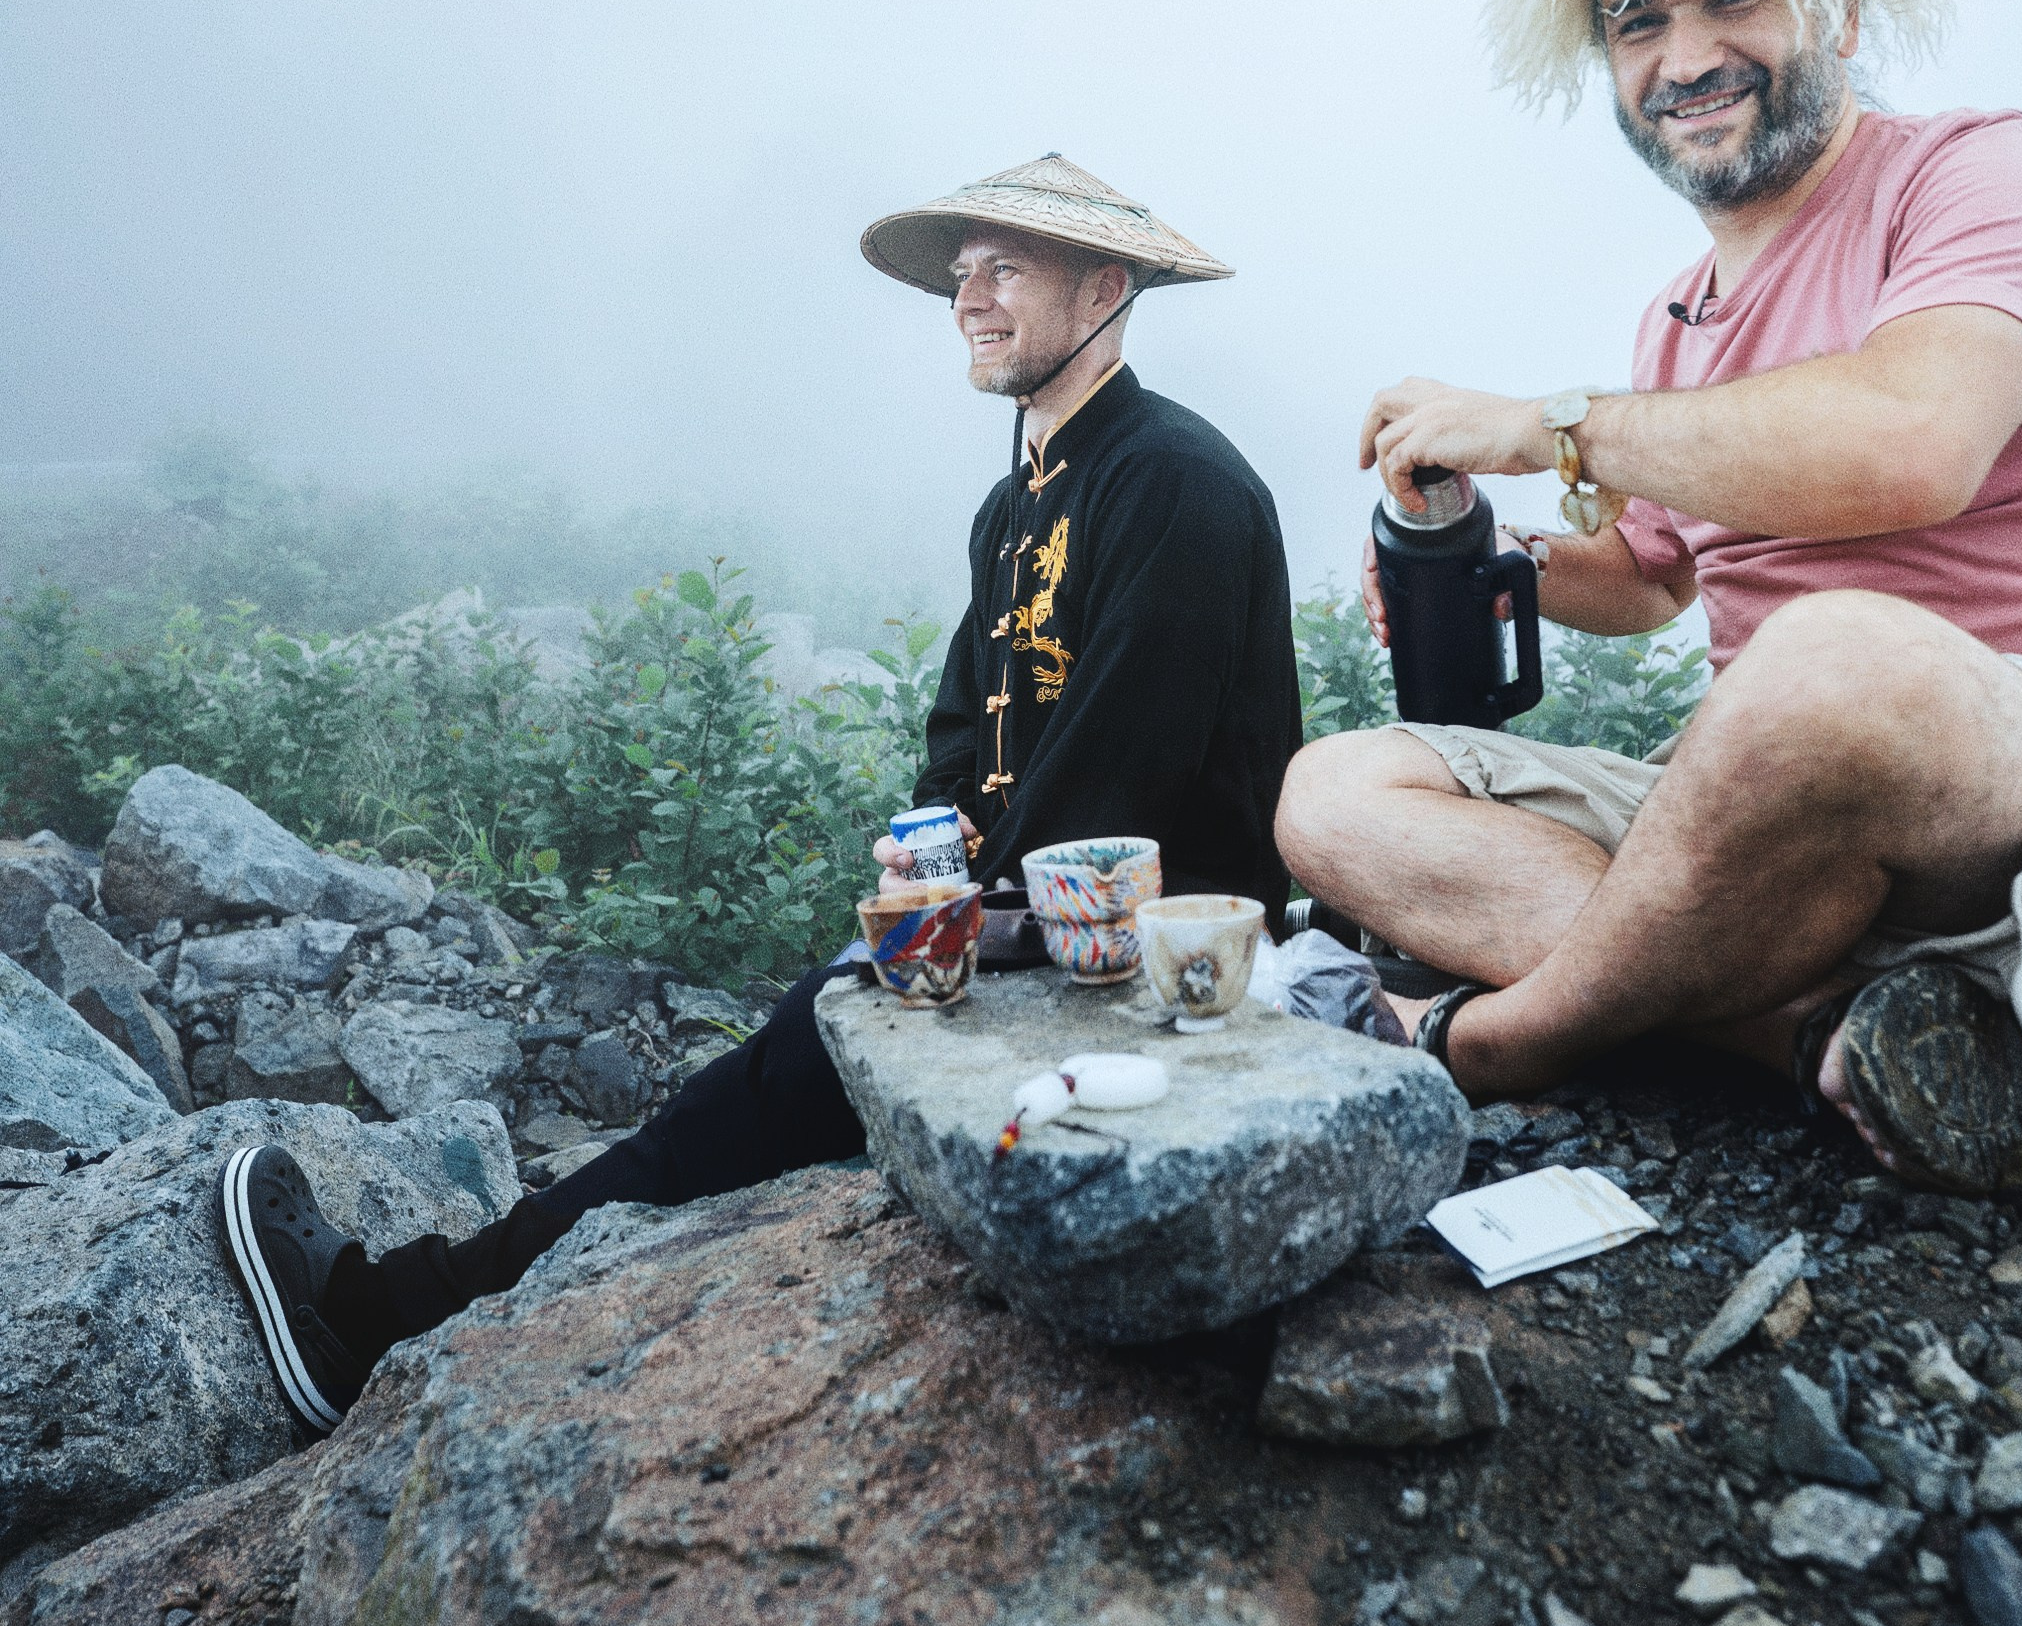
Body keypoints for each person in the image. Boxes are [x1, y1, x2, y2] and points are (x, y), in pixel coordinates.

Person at [219, 153, 1301, 1433]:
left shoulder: (1177, 481)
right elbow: (964, 724)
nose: (968, 299)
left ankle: (372, 1324)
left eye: (1006, 269)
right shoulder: (1012, 503)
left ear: (1106, 289)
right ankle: (417, 1307)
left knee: (752, 1089)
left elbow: (1125, 777)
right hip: (1016, 916)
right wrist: (934, 838)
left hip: (1141, 954)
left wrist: (952, 912)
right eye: (963, 274)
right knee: (745, 1094)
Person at [1278, 0, 2022, 1225]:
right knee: (1335, 789)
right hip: (1773, 834)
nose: (1686, 57)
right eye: (1638, 21)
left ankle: (1494, 1041)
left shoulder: (1980, 175)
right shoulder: (1676, 318)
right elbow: (1653, 577)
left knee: (1829, 656)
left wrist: (1554, 424)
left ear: (1843, 2)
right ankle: (1827, 1035)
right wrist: (1501, 562)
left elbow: (1913, 448)